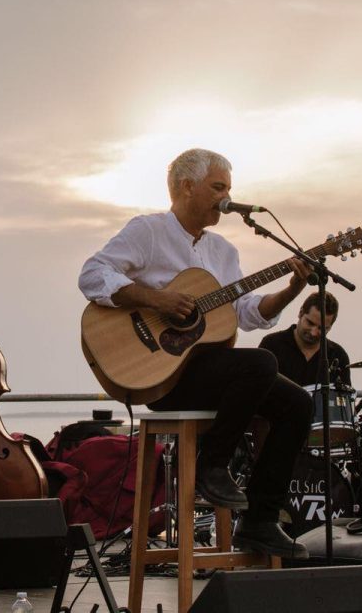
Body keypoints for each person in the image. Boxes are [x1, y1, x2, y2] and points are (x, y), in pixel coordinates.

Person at [78, 148, 314, 558]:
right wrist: (157, 300)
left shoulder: (224, 252)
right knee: (261, 361)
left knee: (298, 404)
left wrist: (292, 290)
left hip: (210, 372)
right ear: (187, 186)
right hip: (161, 377)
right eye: (218, 188)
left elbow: (247, 313)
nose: (226, 198)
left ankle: (259, 521)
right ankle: (213, 465)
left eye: (228, 190)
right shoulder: (147, 231)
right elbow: (92, 275)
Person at [258, 292, 350, 387]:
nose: (313, 332)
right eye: (310, 323)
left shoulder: (338, 355)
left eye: (321, 328)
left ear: (330, 327)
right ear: (301, 313)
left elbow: (344, 398)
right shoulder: (271, 344)